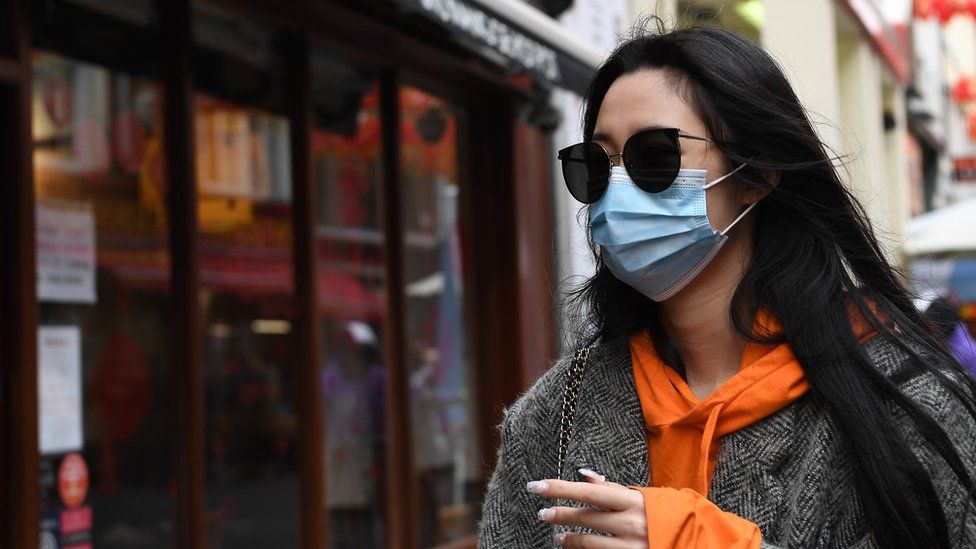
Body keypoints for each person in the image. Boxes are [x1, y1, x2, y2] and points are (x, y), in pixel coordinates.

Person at [478, 21, 976, 549]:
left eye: (654, 155)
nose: (617, 190)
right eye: (597, 165)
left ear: (756, 176)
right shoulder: (554, 414)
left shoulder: (906, 403)